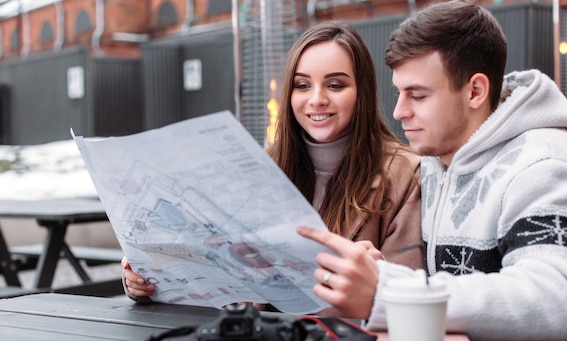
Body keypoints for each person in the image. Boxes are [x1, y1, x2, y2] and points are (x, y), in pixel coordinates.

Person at [297, 0, 567, 341]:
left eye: (418, 96)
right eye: (399, 93)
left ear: (475, 91)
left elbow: (550, 302)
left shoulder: (550, 165)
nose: (398, 111)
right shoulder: (440, 161)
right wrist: (376, 271)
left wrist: (386, 289)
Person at [122, 21, 423, 304]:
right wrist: (148, 277)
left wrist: (377, 279)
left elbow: (408, 294)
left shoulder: (404, 174)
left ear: (362, 92)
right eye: (302, 86)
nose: (316, 99)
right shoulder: (262, 166)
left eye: (335, 85)